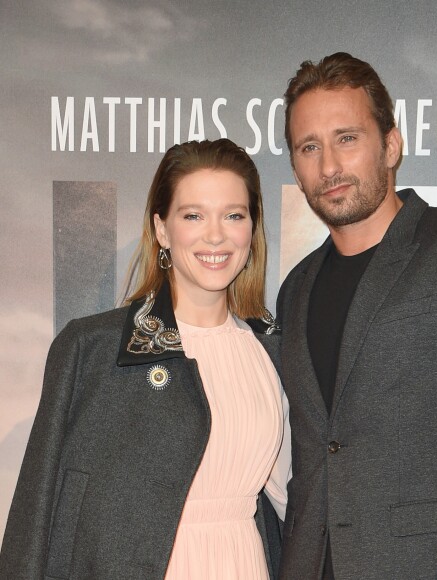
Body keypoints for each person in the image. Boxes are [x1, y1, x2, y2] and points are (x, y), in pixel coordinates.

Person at [276, 52, 437, 579]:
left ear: (390, 145)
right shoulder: (295, 289)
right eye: (310, 147)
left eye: (347, 138)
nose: (328, 166)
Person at [0, 139, 291, 579]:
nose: (216, 235)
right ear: (162, 229)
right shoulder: (93, 349)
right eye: (193, 215)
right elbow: (35, 514)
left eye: (234, 215)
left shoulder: (274, 353)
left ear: (252, 229)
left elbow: (299, 502)